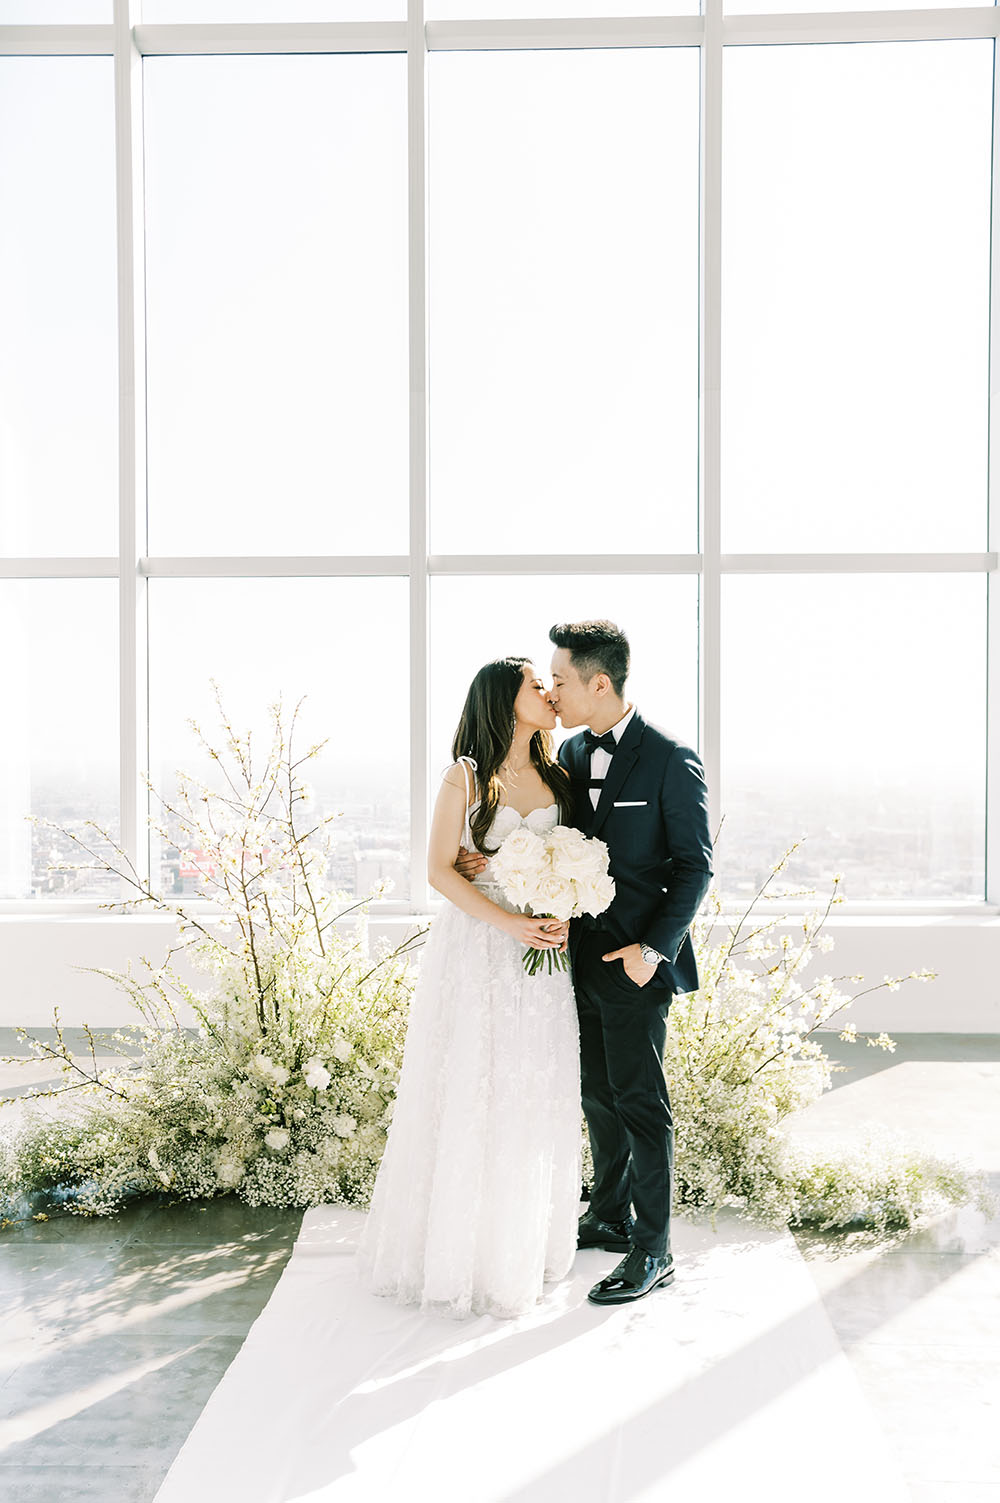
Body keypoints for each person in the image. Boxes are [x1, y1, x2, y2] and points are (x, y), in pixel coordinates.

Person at [458, 620, 713, 1306]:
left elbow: (695, 866)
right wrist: (492, 864)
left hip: (634, 961)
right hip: (573, 957)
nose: (554, 692)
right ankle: (607, 1213)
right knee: (597, 1094)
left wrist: (651, 950)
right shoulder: (568, 751)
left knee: (640, 1102)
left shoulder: (670, 758)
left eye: (561, 680)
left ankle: (654, 1249)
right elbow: (549, 839)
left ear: (599, 683)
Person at [356, 657, 582, 1319]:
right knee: (471, 1084)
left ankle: (517, 1247)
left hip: (544, 951)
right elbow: (438, 871)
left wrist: (565, 906)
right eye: (536, 686)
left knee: (531, 1088)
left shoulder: (560, 776)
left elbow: (577, 857)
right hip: (479, 948)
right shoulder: (466, 776)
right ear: (505, 700)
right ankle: (456, 1254)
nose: (549, 693)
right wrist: (509, 920)